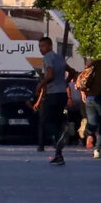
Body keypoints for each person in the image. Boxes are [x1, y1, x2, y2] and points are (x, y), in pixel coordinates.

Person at [33, 37, 74, 165]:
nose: (41, 49)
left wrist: (41, 84)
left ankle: (61, 134)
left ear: (50, 46)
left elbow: (50, 75)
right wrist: (65, 83)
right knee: (56, 121)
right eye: (40, 46)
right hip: (62, 94)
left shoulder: (48, 57)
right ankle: (59, 155)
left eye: (43, 46)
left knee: (46, 121)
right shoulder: (60, 57)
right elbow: (71, 71)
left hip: (53, 94)